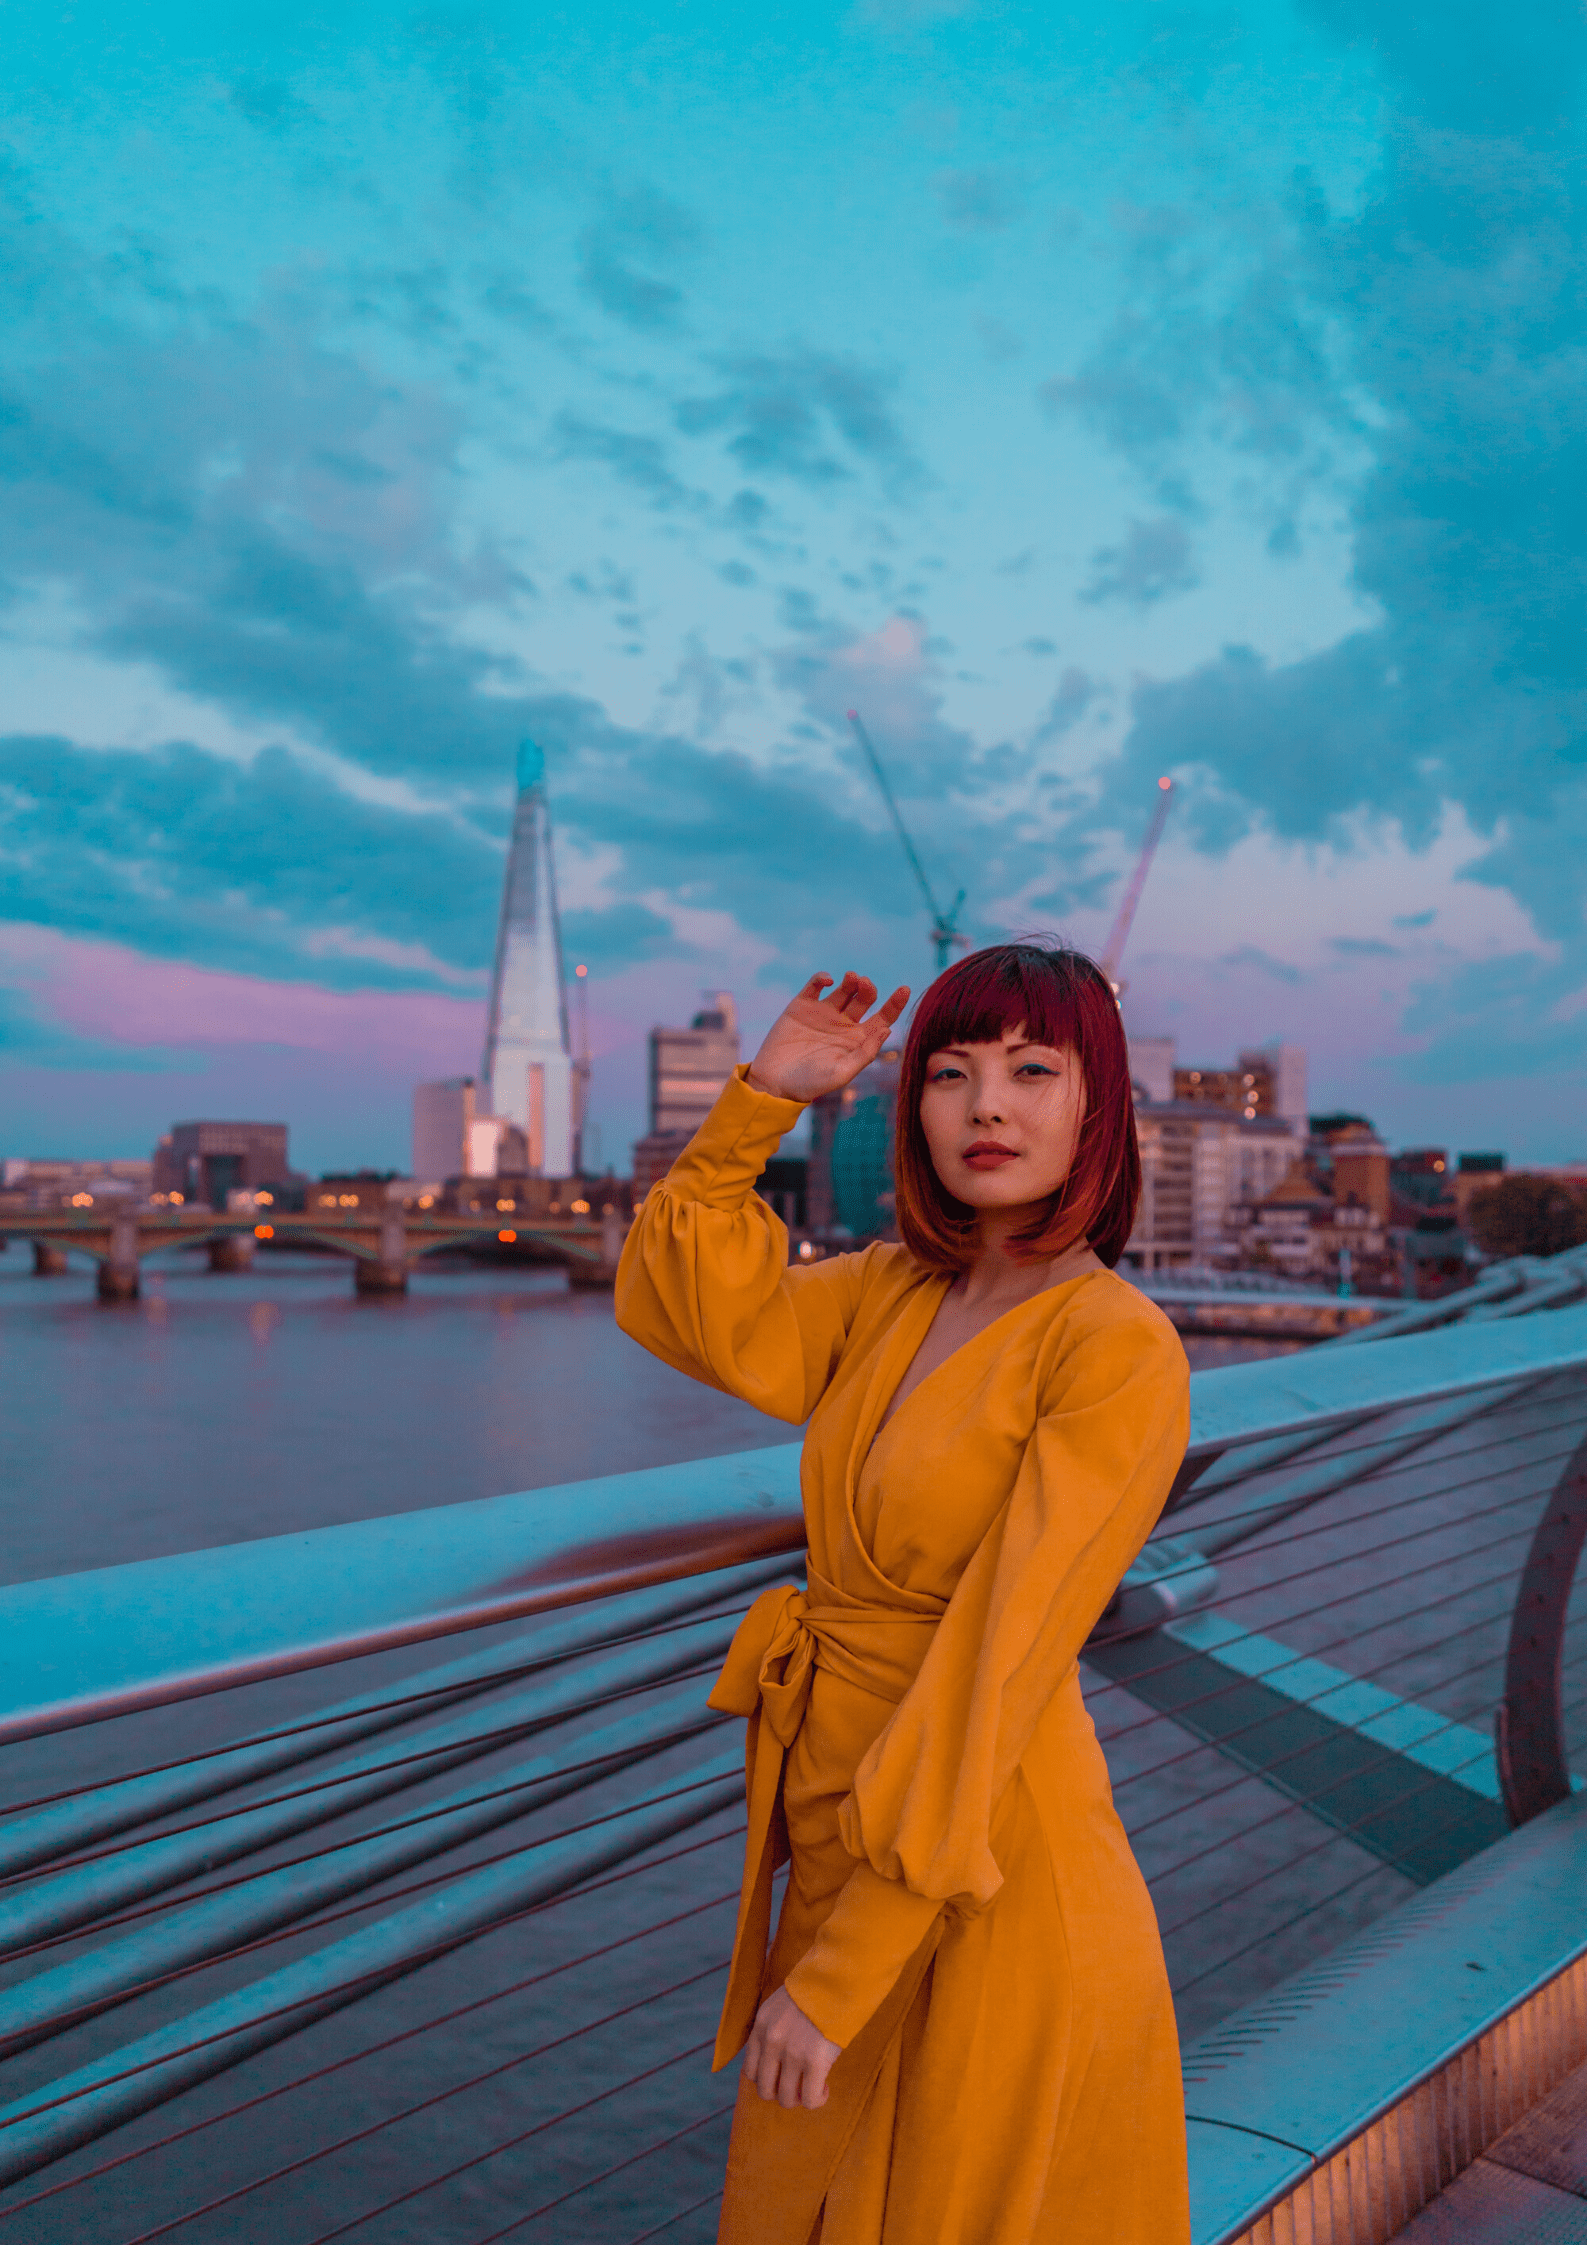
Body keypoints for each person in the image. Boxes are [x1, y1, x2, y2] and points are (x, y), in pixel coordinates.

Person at [615, 942, 1191, 2245]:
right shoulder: (891, 1291)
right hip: (843, 1832)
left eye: (1031, 1072)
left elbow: (1002, 1664)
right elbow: (683, 1310)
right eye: (949, 1074)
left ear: (1096, 1109)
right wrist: (759, 1100)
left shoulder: (1113, 1350)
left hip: (977, 1874)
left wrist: (842, 1969)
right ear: (908, 1109)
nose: (986, 1106)